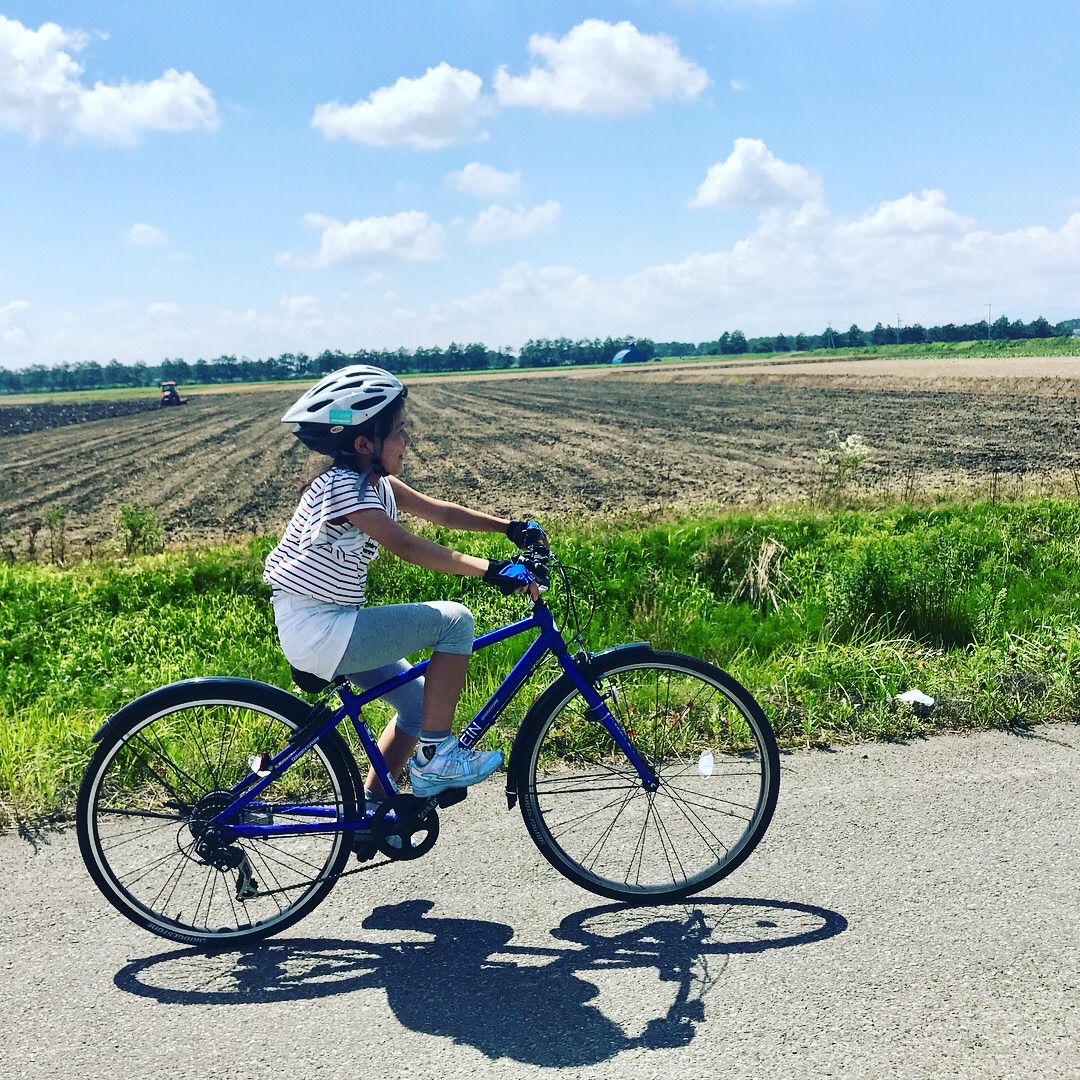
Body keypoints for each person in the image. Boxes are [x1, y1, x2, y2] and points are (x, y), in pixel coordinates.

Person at [263, 365, 545, 813]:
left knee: (416, 709)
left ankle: (373, 810)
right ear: (364, 444)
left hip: (333, 626)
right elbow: (404, 543)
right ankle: (435, 758)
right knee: (456, 622)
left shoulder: (377, 484)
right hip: (321, 631)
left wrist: (510, 528)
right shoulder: (341, 488)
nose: (407, 440)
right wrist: (492, 570)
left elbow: (443, 514)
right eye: (399, 431)